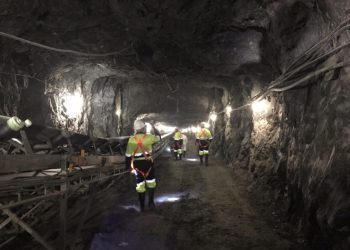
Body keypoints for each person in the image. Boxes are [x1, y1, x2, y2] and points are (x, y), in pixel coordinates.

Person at [125, 120, 161, 211]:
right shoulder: (149, 137)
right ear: (143, 128)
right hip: (148, 163)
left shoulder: (131, 139)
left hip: (137, 165)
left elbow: (128, 156)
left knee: (140, 185)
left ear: (135, 129)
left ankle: (142, 207)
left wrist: (128, 167)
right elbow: (159, 137)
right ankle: (151, 203)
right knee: (151, 183)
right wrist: (154, 128)